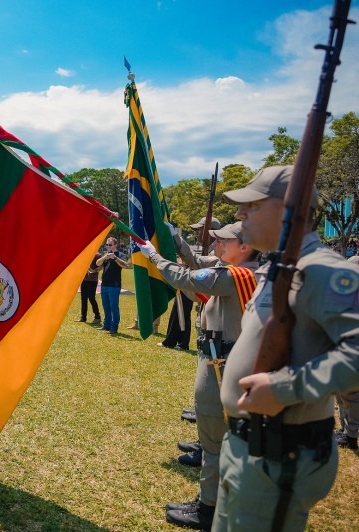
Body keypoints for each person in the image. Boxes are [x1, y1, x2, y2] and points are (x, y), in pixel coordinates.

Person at [213, 166, 359, 530]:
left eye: (253, 205)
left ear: (288, 209)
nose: (240, 214)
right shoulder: (278, 269)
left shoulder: (322, 271)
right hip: (247, 445)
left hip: (280, 454)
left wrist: (284, 388)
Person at [138, 221, 259, 530]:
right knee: (218, 439)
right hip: (226, 359)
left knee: (213, 442)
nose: (217, 245)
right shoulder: (237, 270)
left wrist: (153, 255)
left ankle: (208, 509)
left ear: (245, 247)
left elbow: (186, 276)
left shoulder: (236, 275)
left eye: (224, 241)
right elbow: (196, 262)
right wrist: (175, 239)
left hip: (222, 363)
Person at [95, 237, 126, 334]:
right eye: (107, 245)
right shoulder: (106, 256)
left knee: (114, 307)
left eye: (110, 244)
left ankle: (114, 328)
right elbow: (97, 263)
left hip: (114, 285)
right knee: (106, 306)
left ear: (115, 245)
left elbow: (125, 265)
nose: (108, 246)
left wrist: (115, 258)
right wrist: (104, 257)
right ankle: (106, 325)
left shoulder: (120, 255)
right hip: (104, 285)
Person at [76, 251, 101, 324]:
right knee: (83, 298)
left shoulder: (98, 255)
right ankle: (83, 317)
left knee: (91, 298)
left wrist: (94, 270)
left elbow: (102, 266)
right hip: (84, 279)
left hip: (92, 280)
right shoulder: (85, 254)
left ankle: (97, 317)